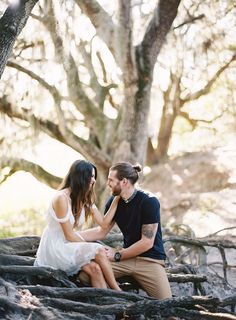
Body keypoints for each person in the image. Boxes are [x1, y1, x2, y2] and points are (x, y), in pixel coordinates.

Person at [79, 162, 172, 299]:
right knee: (85, 276)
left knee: (167, 305)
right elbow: (102, 231)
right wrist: (72, 235)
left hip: (149, 261)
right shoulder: (114, 202)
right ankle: (116, 306)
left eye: (111, 180)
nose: (108, 183)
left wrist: (117, 255)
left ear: (124, 182)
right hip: (126, 259)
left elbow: (147, 242)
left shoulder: (149, 201)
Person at [34, 159, 121, 291]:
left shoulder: (84, 198)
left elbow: (103, 223)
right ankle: (118, 292)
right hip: (55, 247)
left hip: (67, 243)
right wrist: (91, 247)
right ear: (80, 176)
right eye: (91, 176)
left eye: (94, 176)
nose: (94, 180)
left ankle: (106, 301)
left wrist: (117, 199)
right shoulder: (61, 198)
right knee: (98, 250)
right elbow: (69, 235)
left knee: (95, 268)